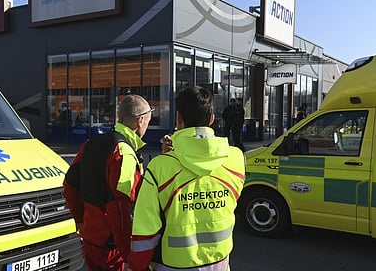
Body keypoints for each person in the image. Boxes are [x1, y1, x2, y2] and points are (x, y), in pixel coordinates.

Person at [128, 86, 246, 271]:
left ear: (178, 118)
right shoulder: (236, 158)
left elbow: (145, 232)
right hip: (219, 262)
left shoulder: (160, 167)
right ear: (212, 119)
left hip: (173, 265)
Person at [63, 94, 153, 271]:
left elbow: (70, 185)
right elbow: (120, 210)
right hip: (112, 247)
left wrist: (80, 220)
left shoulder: (90, 143)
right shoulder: (124, 153)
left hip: (91, 240)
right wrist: (129, 255)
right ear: (141, 120)